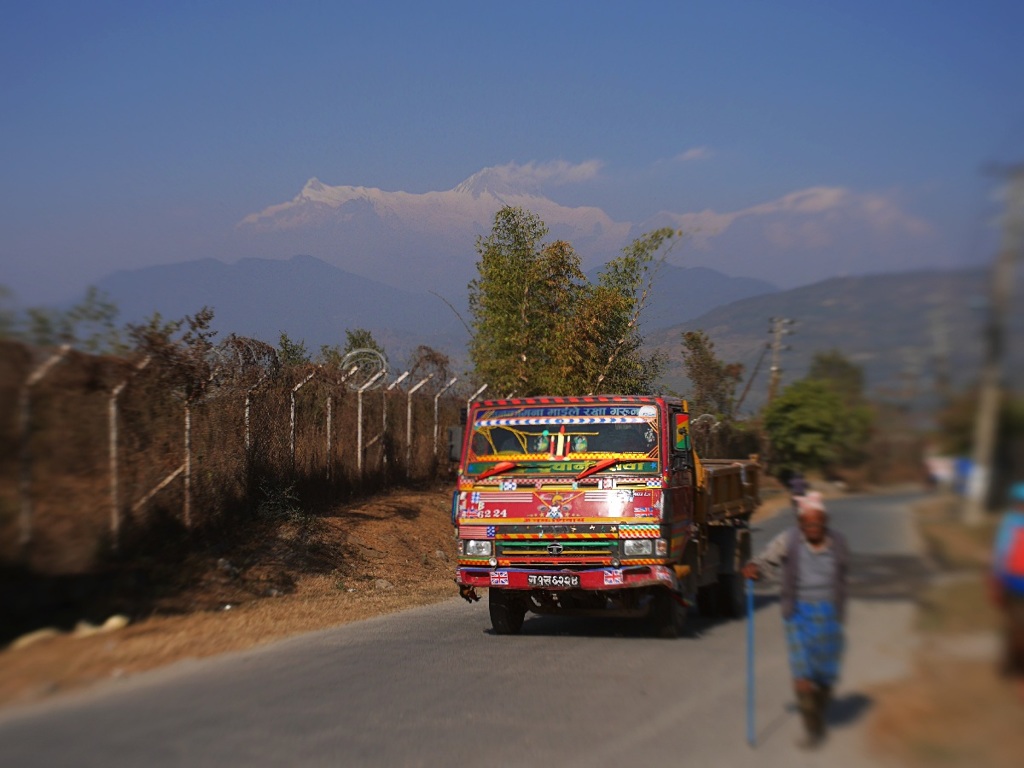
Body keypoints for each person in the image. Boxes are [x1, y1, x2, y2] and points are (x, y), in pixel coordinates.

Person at [742, 496, 849, 749]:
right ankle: (814, 729)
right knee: (802, 673)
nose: (812, 527)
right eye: (807, 523)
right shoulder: (788, 540)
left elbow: (842, 577)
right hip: (797, 612)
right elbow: (767, 560)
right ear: (800, 523)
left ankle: (819, 700)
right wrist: (754, 568)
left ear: (825, 522)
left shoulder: (838, 544)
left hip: (829, 612)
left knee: (824, 675)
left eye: (817, 522)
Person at [991, 482, 1024, 699]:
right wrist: (996, 579)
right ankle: (1014, 667)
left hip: (1011, 582)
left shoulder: (1009, 523)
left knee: (1015, 627)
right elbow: (1001, 553)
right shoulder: (1009, 523)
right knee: (1015, 627)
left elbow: (1000, 554)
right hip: (1013, 584)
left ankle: (1012, 667)